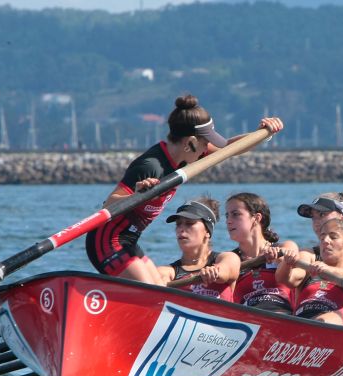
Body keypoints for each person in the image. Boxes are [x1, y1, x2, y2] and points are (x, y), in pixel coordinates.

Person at [85, 94, 283, 284]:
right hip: (106, 241)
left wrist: (261, 134)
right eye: (205, 142)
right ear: (191, 142)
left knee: (161, 289)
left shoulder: (187, 152)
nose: (208, 148)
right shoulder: (151, 166)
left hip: (129, 239)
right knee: (152, 293)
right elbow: (109, 205)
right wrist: (137, 195)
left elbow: (229, 149)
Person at [276, 219, 343, 326]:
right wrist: (286, 263)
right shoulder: (309, 271)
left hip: (332, 325)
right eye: (322, 237)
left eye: (333, 237)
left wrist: (328, 269)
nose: (325, 240)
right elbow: (283, 280)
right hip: (301, 323)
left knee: (325, 320)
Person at [226, 192, 297, 315]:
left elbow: (294, 265)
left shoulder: (285, 247)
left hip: (282, 315)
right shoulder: (229, 259)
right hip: (245, 320)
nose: (228, 221)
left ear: (257, 218)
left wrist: (279, 259)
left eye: (235, 215)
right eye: (227, 216)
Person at [157, 197, 239, 299]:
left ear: (207, 232)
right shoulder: (168, 271)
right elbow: (158, 277)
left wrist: (215, 272)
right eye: (178, 224)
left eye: (189, 223)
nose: (181, 229)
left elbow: (225, 271)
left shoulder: (228, 258)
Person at [296, 192, 343, 257]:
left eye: (322, 214)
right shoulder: (308, 254)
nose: (316, 222)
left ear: (342, 219)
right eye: (313, 217)